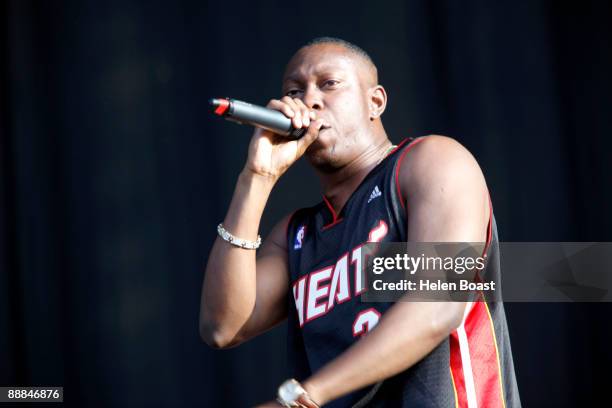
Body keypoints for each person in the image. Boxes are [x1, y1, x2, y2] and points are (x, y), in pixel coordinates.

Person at [200, 37, 520, 407]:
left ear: (376, 102)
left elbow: (436, 304)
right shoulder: (296, 235)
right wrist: (256, 177)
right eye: (294, 90)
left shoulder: (430, 162)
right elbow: (221, 327)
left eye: (329, 83)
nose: (310, 100)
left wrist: (304, 397)